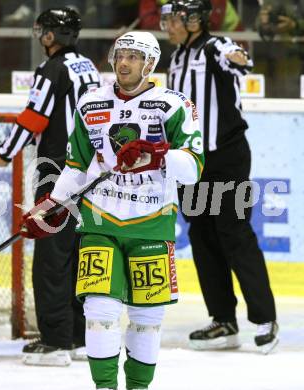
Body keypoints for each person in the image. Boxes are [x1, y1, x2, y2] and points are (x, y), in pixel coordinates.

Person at [20, 31, 204, 390]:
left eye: (134, 57)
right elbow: (77, 165)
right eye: (120, 55)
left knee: (147, 320)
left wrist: (157, 155)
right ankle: (104, 387)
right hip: (99, 220)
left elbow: (194, 168)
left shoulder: (175, 104)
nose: (123, 62)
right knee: (99, 315)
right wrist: (51, 205)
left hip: (152, 224)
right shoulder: (91, 103)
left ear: (150, 63)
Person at [160, 0, 279, 354]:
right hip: (192, 162)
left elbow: (237, 57)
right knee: (203, 235)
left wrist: (238, 57)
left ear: (195, 20)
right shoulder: (179, 56)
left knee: (235, 233)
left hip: (227, 158)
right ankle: (223, 320)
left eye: (174, 19)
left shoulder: (214, 47)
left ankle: (264, 318)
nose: (167, 24)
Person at [0, 7, 101, 366]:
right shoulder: (88, 66)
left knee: (52, 256)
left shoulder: (52, 69)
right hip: (90, 172)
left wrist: (5, 154)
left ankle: (55, 340)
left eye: (43, 32)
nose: (41, 38)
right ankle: (78, 336)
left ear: (51, 35)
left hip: (58, 172)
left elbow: (35, 117)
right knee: (77, 254)